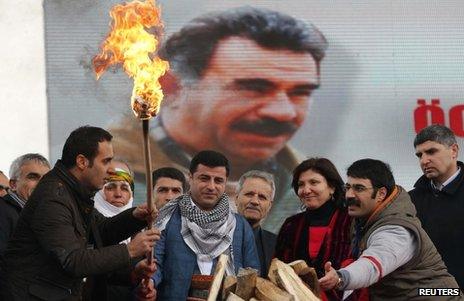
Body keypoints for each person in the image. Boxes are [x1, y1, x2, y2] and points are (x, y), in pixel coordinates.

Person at [111, 6, 328, 227]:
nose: (283, 112)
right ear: (173, 87)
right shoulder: (104, 172)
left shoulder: (307, 190)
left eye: (300, 92)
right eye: (254, 88)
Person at [1, 126, 160, 301]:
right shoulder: (54, 197)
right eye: (105, 161)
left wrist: (135, 217)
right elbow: (73, 260)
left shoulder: (75, 192)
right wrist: (130, 250)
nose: (111, 170)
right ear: (82, 162)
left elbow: (100, 231)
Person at [319, 159, 460, 300]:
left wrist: (340, 277)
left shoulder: (397, 230)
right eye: (348, 187)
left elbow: (371, 266)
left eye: (359, 188)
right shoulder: (363, 219)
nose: (349, 195)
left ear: (381, 194)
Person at [148, 150, 260, 300]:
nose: (211, 186)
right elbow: (154, 265)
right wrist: (150, 282)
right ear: (190, 178)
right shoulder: (166, 219)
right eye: (204, 178)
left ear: (226, 182)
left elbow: (252, 275)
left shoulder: (240, 226)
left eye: (218, 181)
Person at [275, 158, 351, 300]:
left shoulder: (351, 220)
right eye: (301, 184)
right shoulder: (291, 224)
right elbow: (278, 268)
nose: (306, 190)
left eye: (314, 182)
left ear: (332, 187)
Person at [409, 124, 464, 288]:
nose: (424, 160)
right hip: (427, 293)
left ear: (453, 150)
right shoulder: (409, 200)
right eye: (419, 155)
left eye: (431, 152)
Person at [0, 153, 50, 255]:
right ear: (13, 184)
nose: (41, 184)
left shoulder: (48, 214)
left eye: (46, 179)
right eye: (33, 177)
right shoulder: (3, 211)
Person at [235, 170, 276, 277]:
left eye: (262, 197)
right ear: (236, 199)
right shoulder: (216, 236)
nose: (255, 201)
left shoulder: (278, 244)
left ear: (270, 206)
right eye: (249, 194)